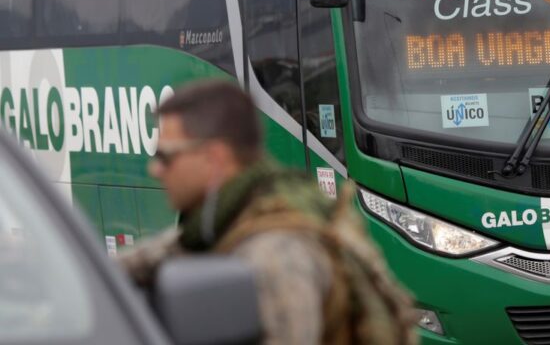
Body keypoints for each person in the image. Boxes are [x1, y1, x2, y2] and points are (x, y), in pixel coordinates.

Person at [120, 80, 415, 345]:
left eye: (165, 156)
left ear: (214, 157)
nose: (155, 169)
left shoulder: (276, 254)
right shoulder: (230, 219)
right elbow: (147, 260)